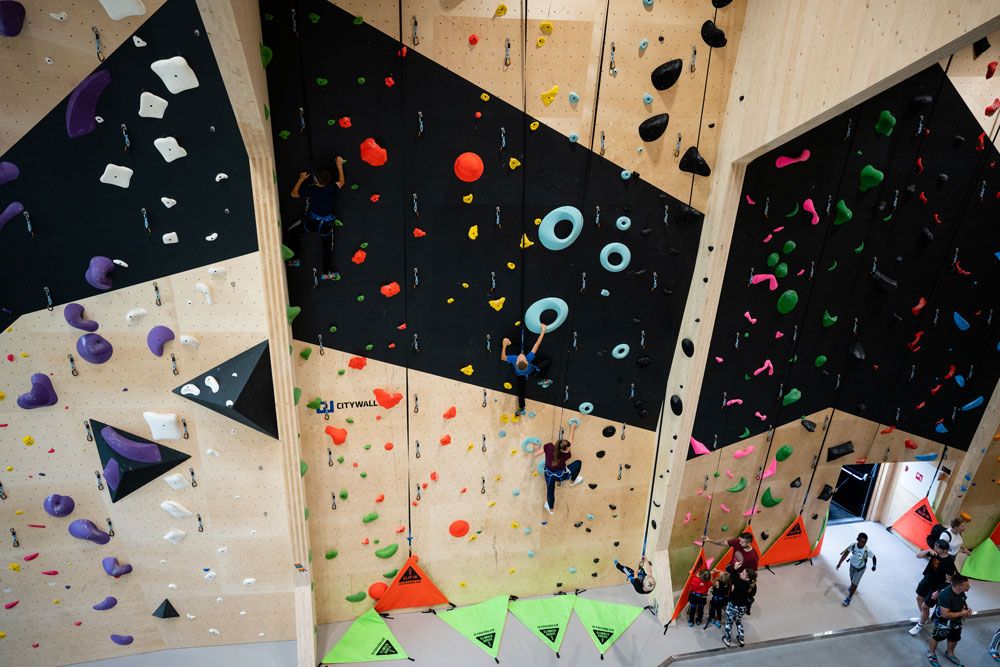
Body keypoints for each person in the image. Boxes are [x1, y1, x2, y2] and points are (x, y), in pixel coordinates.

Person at [289, 156, 346, 281]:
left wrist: (301, 179)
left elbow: (293, 194)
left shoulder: (311, 189)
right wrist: (339, 165)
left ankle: (295, 259)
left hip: (310, 223)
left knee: (291, 232)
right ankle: (326, 273)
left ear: (315, 181)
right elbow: (341, 182)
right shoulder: (331, 189)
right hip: (326, 226)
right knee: (327, 249)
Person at [531, 421, 582, 512]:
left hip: (549, 476)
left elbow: (535, 455)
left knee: (550, 492)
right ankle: (572, 481)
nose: (570, 450)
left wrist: (535, 448)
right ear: (562, 450)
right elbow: (570, 440)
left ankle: (551, 509)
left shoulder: (549, 446)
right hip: (562, 476)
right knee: (578, 463)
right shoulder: (566, 455)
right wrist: (572, 427)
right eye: (568, 449)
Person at [910, 540, 958, 636]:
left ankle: (920, 625)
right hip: (927, 579)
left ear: (945, 550)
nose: (935, 548)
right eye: (935, 546)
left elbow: (948, 581)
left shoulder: (949, 563)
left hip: (937, 586)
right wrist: (928, 550)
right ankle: (923, 618)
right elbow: (918, 555)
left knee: (925, 606)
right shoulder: (934, 553)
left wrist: (938, 591)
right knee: (919, 598)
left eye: (938, 548)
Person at [501, 325, 551, 413]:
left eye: (521, 357)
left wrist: (504, 345)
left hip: (522, 374)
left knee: (521, 389)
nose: (521, 356)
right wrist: (543, 330)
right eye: (521, 357)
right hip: (530, 372)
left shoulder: (514, 358)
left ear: (516, 362)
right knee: (547, 362)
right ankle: (522, 407)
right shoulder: (529, 358)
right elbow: (537, 344)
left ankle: (522, 407)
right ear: (527, 361)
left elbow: (503, 357)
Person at [926, 574, 973, 667]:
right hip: (943, 621)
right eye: (967, 585)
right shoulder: (946, 595)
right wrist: (962, 613)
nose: (969, 587)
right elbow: (945, 614)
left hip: (956, 620)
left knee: (954, 637)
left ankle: (950, 653)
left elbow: (962, 601)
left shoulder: (960, 592)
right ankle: (931, 653)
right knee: (937, 636)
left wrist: (967, 609)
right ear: (959, 586)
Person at [836, 532, 877, 606]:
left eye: (864, 543)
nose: (862, 544)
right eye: (861, 542)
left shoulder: (867, 550)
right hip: (852, 565)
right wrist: (839, 563)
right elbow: (846, 554)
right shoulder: (853, 545)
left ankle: (849, 597)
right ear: (857, 539)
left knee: (855, 583)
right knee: (852, 579)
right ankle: (852, 586)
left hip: (860, 569)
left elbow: (874, 557)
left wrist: (874, 565)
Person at [723, 568, 756, 648]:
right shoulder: (753, 585)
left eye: (743, 573)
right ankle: (741, 639)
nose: (740, 573)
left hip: (733, 606)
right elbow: (752, 594)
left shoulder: (739, 583)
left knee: (729, 622)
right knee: (738, 621)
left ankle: (727, 640)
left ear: (747, 578)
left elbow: (732, 574)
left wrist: (734, 568)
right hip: (742, 608)